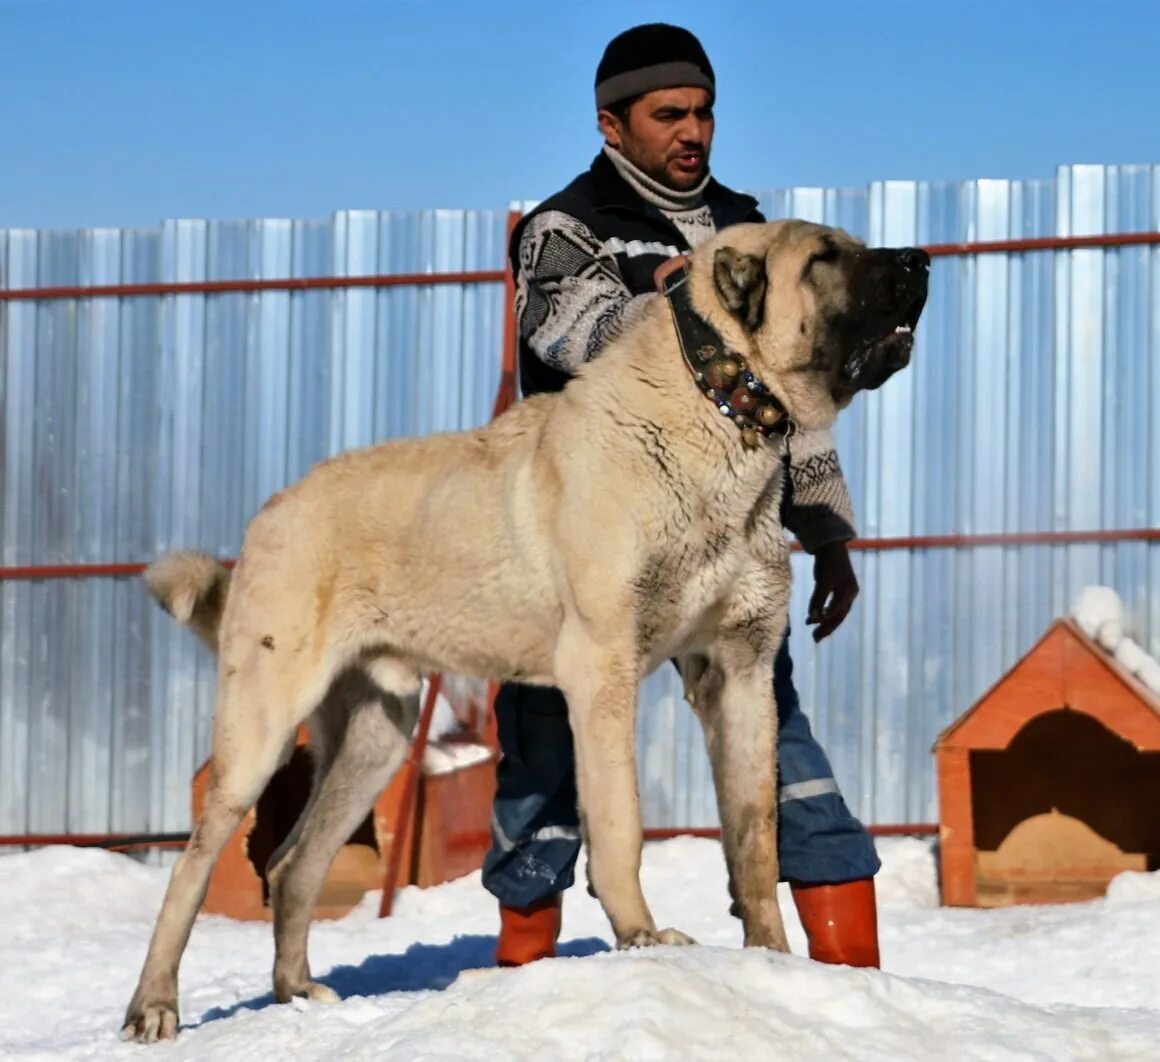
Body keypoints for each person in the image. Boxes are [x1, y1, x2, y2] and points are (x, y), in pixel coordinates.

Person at [480, 22, 881, 969]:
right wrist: (685, 298)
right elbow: (569, 337)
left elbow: (798, 384)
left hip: (731, 545)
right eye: (669, 114)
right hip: (598, 543)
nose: (692, 130)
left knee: (780, 744)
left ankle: (847, 994)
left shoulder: (748, 222)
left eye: (703, 110)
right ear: (613, 126)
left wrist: (825, 531)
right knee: (544, 762)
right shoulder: (564, 226)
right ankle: (518, 992)